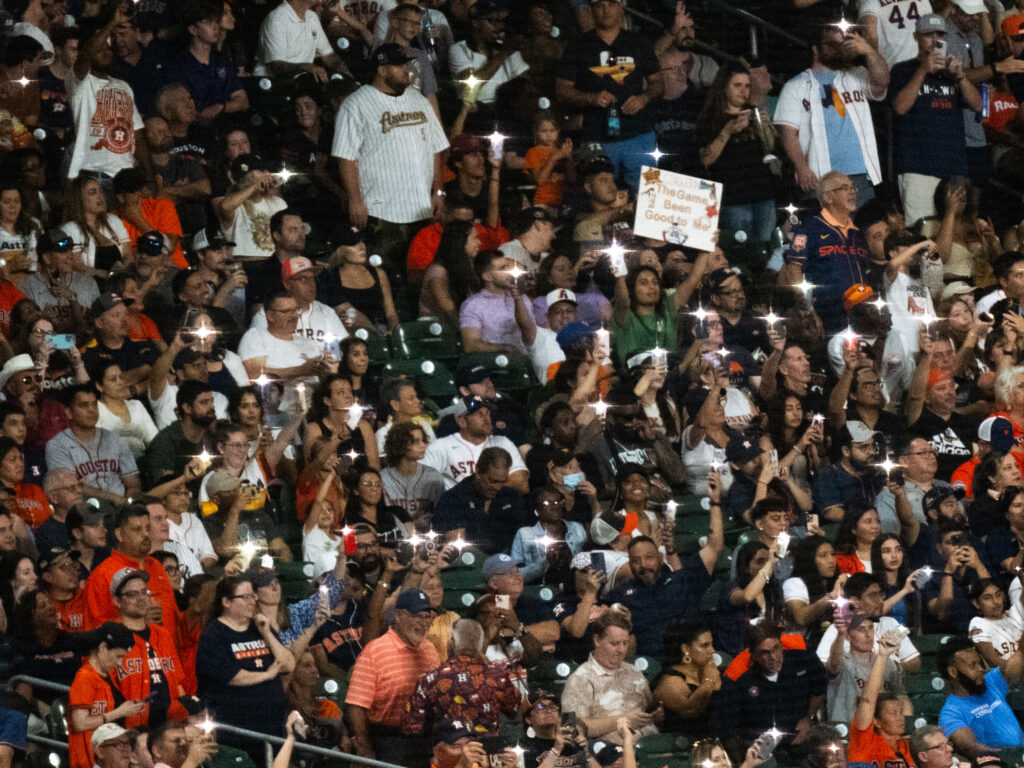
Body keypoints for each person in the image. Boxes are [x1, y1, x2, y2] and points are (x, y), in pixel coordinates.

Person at [332, 43, 449, 280]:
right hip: (382, 211)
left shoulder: (418, 99)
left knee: (422, 275)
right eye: (399, 65)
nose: (406, 69)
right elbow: (345, 156)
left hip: (422, 208)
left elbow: (436, 148)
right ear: (382, 70)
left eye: (406, 63)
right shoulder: (356, 104)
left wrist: (438, 190)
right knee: (385, 275)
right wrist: (355, 199)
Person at [605, 474, 722, 657]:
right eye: (636, 560)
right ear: (630, 563)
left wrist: (715, 503)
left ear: (660, 558)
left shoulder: (682, 580)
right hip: (651, 661)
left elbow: (714, 546)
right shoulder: (620, 595)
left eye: (649, 558)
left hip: (692, 657)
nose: (643, 565)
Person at [554, 0, 663, 189]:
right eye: (599, 5)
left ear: (621, 6)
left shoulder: (639, 42)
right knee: (598, 199)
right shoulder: (578, 46)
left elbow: (659, 84)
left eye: (612, 3)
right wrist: (591, 98)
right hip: (597, 136)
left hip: (639, 135)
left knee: (648, 196)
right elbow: (561, 91)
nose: (606, 10)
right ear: (591, 10)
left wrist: (643, 98)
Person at [775, 24, 889, 199]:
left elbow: (882, 81)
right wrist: (802, 168)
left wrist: (869, 51)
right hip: (822, 177)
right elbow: (788, 133)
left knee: (864, 225)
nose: (839, 49)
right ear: (816, 49)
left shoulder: (856, 75)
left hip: (860, 176)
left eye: (842, 44)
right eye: (832, 44)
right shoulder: (795, 86)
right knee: (827, 226)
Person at [890, 14, 983, 226]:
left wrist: (961, 77)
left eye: (939, 34)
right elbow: (900, 107)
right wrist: (923, 70)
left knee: (955, 233)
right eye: (928, 34)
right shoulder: (902, 69)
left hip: (954, 168)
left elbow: (978, 105)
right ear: (916, 37)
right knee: (922, 233)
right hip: (917, 168)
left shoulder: (952, 72)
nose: (934, 40)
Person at [346, 589, 442, 766]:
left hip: (426, 739)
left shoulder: (430, 649)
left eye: (427, 618)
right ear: (398, 616)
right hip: (389, 741)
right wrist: (364, 746)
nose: (423, 624)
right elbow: (356, 705)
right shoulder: (374, 652)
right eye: (417, 617)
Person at [196, 576, 295, 742]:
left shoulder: (260, 627)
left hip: (272, 723)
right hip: (236, 727)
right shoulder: (214, 635)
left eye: (253, 596)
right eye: (245, 597)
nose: (252, 602)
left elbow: (288, 665)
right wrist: (267, 675)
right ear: (226, 602)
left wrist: (267, 634)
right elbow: (231, 676)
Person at [710, 622, 828, 748]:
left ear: (782, 645)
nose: (773, 657)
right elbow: (725, 729)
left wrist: (808, 718)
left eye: (776, 648)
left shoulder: (803, 659)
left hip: (799, 742)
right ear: (753, 655)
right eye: (765, 653)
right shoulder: (739, 679)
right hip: (759, 750)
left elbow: (820, 688)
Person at [779, 173, 870, 334]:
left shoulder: (858, 234)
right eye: (844, 188)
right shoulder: (808, 230)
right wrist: (808, 310)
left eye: (853, 188)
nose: (853, 192)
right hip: (829, 317)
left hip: (864, 316)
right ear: (828, 197)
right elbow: (794, 270)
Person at [402, 618, 521, 738]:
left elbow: (412, 728)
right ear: (481, 644)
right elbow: (513, 711)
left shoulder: (430, 680)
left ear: (452, 643)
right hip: (486, 752)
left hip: (447, 752)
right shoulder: (498, 677)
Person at [67, 7, 144, 180]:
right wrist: (113, 22)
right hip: (91, 174)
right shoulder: (78, 81)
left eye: (108, 48)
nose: (106, 51)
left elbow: (137, 134)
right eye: (100, 48)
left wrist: (150, 177)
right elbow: (86, 56)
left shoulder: (123, 86)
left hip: (125, 177)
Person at [108, 568, 187, 728]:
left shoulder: (163, 634)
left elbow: (178, 685)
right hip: (131, 731)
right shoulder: (107, 638)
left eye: (144, 592)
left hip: (169, 728)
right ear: (117, 601)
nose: (141, 599)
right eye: (132, 594)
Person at [82, 503, 179, 632]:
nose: (145, 534)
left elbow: (175, 619)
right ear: (120, 534)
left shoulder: (156, 566)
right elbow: (94, 630)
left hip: (166, 649)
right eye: (137, 529)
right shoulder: (101, 576)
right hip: (131, 651)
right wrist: (136, 621)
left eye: (148, 528)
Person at [67, 621, 144, 768]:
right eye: (118, 656)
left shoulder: (108, 675)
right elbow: (80, 723)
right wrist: (119, 712)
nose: (121, 663)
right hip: (88, 761)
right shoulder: (85, 677)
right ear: (103, 647)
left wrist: (128, 709)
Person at [432, 445, 530, 554]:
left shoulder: (512, 497)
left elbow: (524, 539)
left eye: (502, 482)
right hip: (472, 565)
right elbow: (455, 550)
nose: (497, 488)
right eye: (493, 481)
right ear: (478, 472)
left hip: (511, 564)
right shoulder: (452, 499)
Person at [937, 635, 1024, 753]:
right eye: (972, 665)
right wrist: (1009, 757)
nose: (980, 669)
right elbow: (972, 747)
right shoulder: (951, 713)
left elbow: (1018, 659)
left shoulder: (991, 682)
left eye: (979, 663)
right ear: (953, 672)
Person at [423, 396, 529, 492]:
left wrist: (479, 492)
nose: (487, 419)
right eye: (479, 414)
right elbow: (418, 481)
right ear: (461, 421)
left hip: (496, 508)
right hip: (459, 508)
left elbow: (521, 483)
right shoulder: (442, 446)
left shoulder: (502, 442)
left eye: (487, 413)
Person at [847, 624, 913, 768]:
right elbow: (867, 700)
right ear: (877, 721)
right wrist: (883, 656)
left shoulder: (909, 746)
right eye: (893, 713)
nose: (900, 718)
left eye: (901, 712)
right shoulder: (864, 742)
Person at [653, 620, 720, 740]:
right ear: (685, 649)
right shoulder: (669, 680)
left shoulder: (710, 670)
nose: (712, 650)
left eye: (711, 644)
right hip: (683, 748)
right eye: (705, 645)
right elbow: (690, 711)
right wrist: (708, 682)